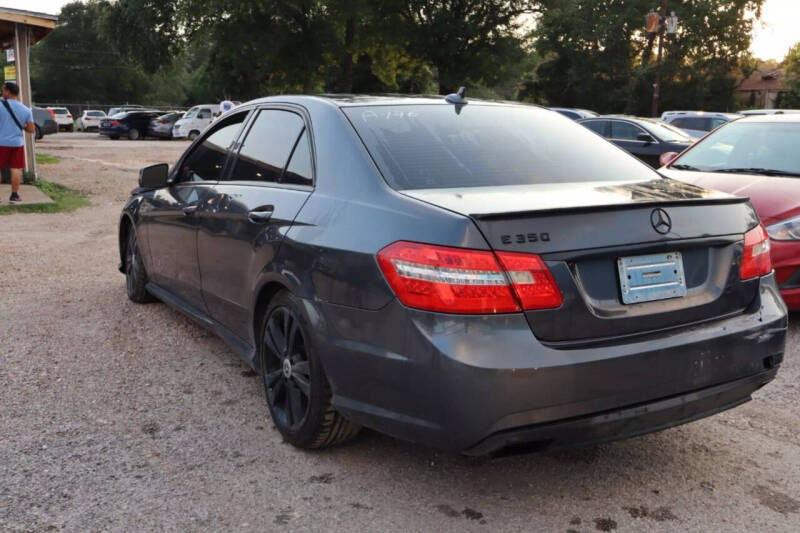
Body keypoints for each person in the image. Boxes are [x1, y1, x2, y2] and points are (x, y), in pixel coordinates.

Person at [0, 82, 35, 203]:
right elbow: (31, 129)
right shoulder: (26, 110)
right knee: (15, 169)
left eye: (3, 90)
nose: (2, 92)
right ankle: (14, 195)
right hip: (17, 143)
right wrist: (22, 126)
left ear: (8, 92)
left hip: (1, 142)